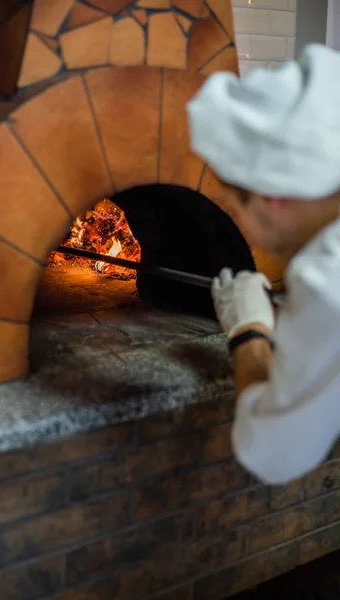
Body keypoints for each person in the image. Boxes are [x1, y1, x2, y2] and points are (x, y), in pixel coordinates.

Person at [186, 44, 340, 484]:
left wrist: (249, 330)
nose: (245, 233)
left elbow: (272, 453)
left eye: (236, 211)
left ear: (274, 197)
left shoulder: (328, 281)